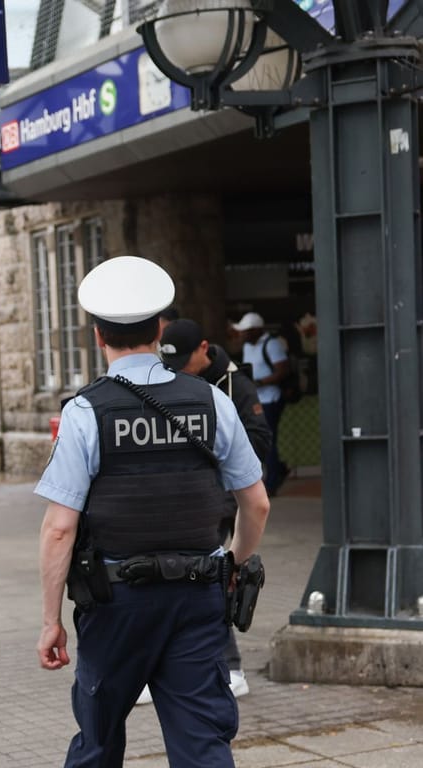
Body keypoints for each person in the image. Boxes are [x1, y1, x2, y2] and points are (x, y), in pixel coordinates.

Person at [35, 256, 270, 768]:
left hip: (116, 602)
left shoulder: (84, 413)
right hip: (197, 596)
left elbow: (59, 529)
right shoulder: (212, 402)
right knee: (203, 745)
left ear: (98, 335)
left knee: (97, 744)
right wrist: (233, 564)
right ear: (159, 329)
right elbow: (257, 502)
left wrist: (51, 620)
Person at [148, 318, 275, 702]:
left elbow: (259, 442)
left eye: (185, 361)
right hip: (179, 496)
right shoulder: (168, 377)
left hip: (219, 497)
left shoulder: (236, 386)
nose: (178, 371)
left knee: (212, 576)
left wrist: (211, 455)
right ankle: (161, 668)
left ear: (204, 349)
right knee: (168, 579)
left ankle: (231, 667)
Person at [234, 311, 291, 496]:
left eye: (246, 331)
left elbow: (283, 370)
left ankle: (273, 480)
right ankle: (278, 470)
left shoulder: (271, 344)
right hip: (256, 399)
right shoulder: (247, 347)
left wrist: (260, 382)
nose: (242, 334)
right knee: (258, 437)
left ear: (257, 330)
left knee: (268, 439)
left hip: (271, 398)